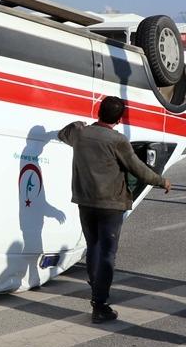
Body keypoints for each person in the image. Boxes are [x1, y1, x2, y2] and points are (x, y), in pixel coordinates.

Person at [58, 96, 172, 324]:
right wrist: (161, 181)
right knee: (108, 254)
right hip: (111, 204)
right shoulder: (117, 140)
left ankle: (95, 286)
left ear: (98, 111)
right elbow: (138, 168)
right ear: (119, 119)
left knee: (93, 247)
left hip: (86, 202)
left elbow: (63, 133)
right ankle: (100, 306)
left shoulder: (81, 134)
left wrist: (78, 124)